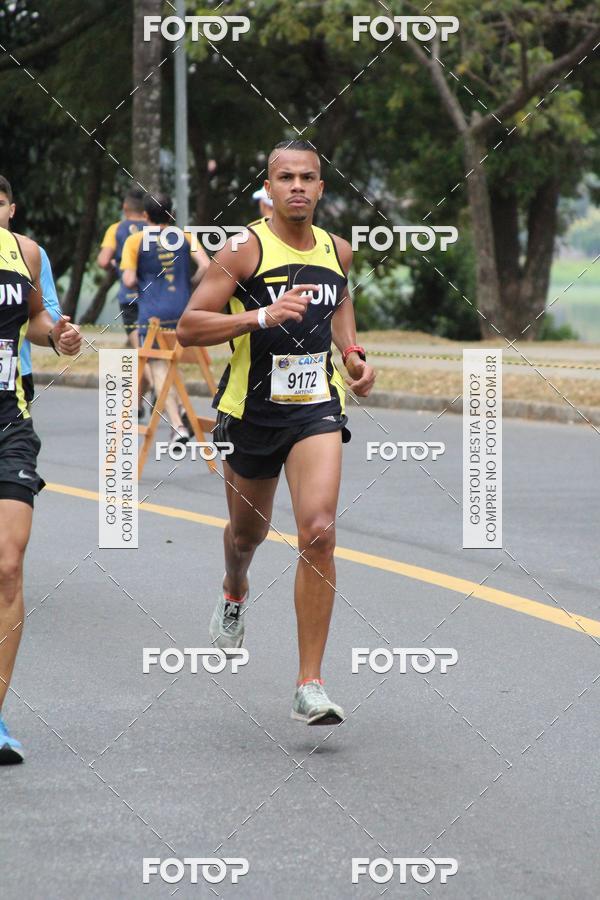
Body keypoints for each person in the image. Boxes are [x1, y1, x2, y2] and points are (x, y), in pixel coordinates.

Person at [177, 140, 376, 725]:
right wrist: (259, 316)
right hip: (250, 413)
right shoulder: (243, 248)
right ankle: (235, 588)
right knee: (247, 535)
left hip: (314, 408)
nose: (296, 187)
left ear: (320, 188)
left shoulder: (336, 250)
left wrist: (354, 356)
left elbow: (339, 309)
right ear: (268, 188)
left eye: (307, 178)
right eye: (285, 177)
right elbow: (189, 327)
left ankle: (309, 683)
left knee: (318, 533)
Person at [0, 174, 81, 764]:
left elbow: (34, 321)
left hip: (8, 421)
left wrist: (58, 333)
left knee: (7, 566)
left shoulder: (23, 253)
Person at [121, 192, 210, 444]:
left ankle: (178, 424)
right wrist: (189, 283)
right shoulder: (185, 236)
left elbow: (128, 280)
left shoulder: (135, 241)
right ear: (171, 214)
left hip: (152, 315)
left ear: (145, 216)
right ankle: (181, 408)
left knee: (158, 366)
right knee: (171, 364)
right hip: (182, 313)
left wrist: (139, 279)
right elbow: (205, 266)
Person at [0, 180, 62, 404]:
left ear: (12, 210)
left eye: (0, 204)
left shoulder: (31, 253)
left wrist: (58, 334)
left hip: (15, 374)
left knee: (19, 438)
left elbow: (48, 312)